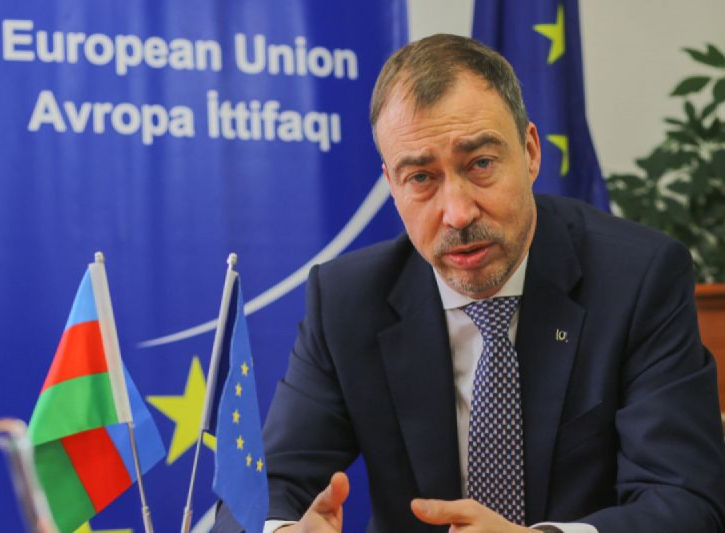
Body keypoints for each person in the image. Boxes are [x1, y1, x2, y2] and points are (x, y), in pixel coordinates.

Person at [213, 34, 725, 532]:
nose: (457, 213)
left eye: (480, 164)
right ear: (392, 185)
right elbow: (258, 491)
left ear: (530, 152)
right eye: (421, 178)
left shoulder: (637, 278)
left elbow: (685, 501)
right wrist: (283, 530)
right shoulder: (347, 301)